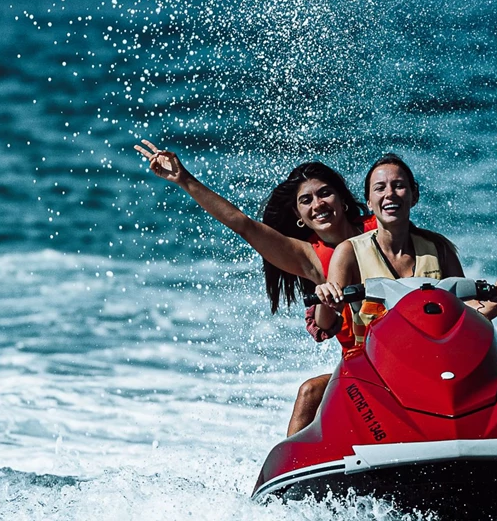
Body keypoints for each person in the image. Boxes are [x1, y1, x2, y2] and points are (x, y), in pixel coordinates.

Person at [132, 140, 372, 435]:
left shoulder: (380, 230)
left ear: (342, 198)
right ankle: (287, 476)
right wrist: (184, 179)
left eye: (325, 193)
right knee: (310, 392)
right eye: (306, 200)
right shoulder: (309, 257)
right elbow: (243, 225)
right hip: (362, 368)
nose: (318, 204)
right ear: (298, 216)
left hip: (408, 349)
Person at [312, 153, 497, 359]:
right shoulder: (349, 251)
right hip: (373, 367)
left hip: (432, 362)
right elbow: (325, 324)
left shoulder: (439, 249)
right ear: (368, 201)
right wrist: (324, 298)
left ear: (414, 195)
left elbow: (466, 315)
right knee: (309, 392)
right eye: (380, 188)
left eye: (399, 186)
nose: (390, 194)